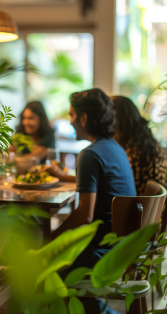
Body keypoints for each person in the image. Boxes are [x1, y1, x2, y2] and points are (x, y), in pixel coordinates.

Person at [51, 89, 136, 314]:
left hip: (101, 252)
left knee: (45, 269)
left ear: (84, 118)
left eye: (71, 115)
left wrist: (52, 239)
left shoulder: (89, 154)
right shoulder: (116, 149)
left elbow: (85, 215)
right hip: (120, 247)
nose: (70, 122)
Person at [111, 96, 167, 195]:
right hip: (151, 208)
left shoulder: (134, 152)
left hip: (137, 206)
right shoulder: (146, 141)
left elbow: (124, 189)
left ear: (117, 120)